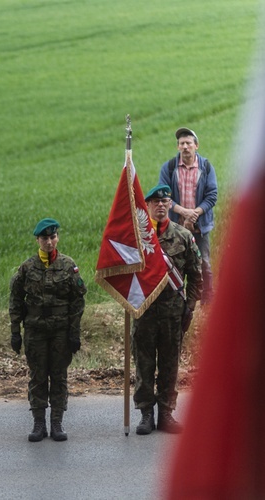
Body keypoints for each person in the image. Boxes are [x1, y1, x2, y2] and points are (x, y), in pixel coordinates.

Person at [132, 185, 202, 435]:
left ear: (170, 205)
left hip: (174, 312)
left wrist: (190, 308)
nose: (161, 206)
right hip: (144, 311)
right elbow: (125, 273)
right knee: (144, 363)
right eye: (155, 202)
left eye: (165, 201)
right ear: (147, 206)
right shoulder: (137, 237)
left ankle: (166, 413)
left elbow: (196, 275)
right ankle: (146, 414)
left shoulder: (183, 236)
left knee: (170, 365)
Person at [9, 218, 86, 442]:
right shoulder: (27, 267)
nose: (49, 242)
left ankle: (57, 423)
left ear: (57, 238)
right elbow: (15, 299)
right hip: (36, 331)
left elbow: (77, 301)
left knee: (59, 377)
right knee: (38, 377)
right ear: (38, 240)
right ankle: (39, 423)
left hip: (61, 332)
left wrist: (74, 332)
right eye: (44, 238)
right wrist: (15, 331)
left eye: (52, 237)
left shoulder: (68, 265)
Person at [159, 127, 217, 304]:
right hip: (175, 226)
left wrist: (195, 213)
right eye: (181, 143)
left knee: (204, 262)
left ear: (196, 146)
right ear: (178, 147)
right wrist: (183, 212)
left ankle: (208, 297)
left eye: (188, 143)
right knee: (175, 263)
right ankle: (178, 298)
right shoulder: (169, 168)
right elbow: (163, 195)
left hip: (200, 225)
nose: (185, 147)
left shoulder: (206, 167)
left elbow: (212, 195)